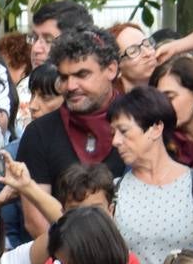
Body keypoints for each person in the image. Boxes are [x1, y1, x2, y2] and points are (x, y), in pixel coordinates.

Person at [109, 85, 193, 264]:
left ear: (156, 128)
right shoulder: (115, 190)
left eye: (123, 131)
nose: (115, 141)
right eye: (113, 133)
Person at [17, 28, 125, 206]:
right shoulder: (39, 133)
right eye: (64, 77)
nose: (71, 85)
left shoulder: (141, 122)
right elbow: (36, 221)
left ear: (111, 69)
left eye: (82, 75)